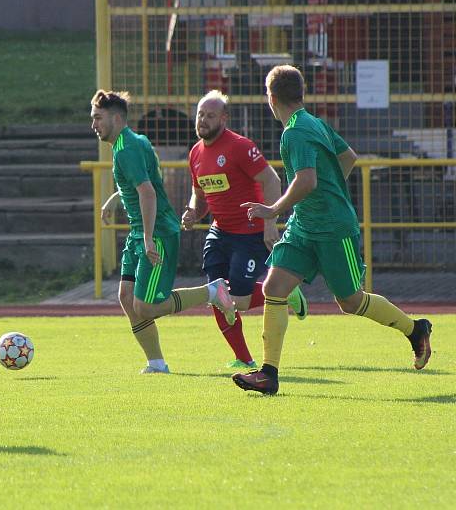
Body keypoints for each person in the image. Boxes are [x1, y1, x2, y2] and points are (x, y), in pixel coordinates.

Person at [233, 65, 433, 395]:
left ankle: (415, 329)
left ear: (270, 98)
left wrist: (273, 209)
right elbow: (349, 157)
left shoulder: (295, 132)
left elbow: (307, 180)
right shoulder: (314, 123)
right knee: (275, 286)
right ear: (301, 92)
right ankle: (269, 374)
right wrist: (329, 190)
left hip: (332, 229)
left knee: (350, 301)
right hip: (305, 225)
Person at [91, 89, 235, 374]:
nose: (93, 124)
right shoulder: (131, 141)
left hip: (155, 231)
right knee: (126, 296)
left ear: (116, 118)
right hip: (141, 230)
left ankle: (212, 292)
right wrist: (113, 200)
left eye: (98, 118)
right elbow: (144, 183)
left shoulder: (127, 149)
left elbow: (148, 193)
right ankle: (156, 363)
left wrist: (147, 238)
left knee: (146, 306)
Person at [182, 91, 308, 370]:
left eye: (210, 115)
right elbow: (199, 197)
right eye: (200, 114)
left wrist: (269, 222)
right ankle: (243, 357)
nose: (203, 120)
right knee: (217, 294)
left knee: (236, 299)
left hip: (248, 232)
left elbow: (271, 180)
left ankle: (286, 293)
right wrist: (192, 212)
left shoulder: (239, 146)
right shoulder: (195, 153)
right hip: (219, 232)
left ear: (224, 119)